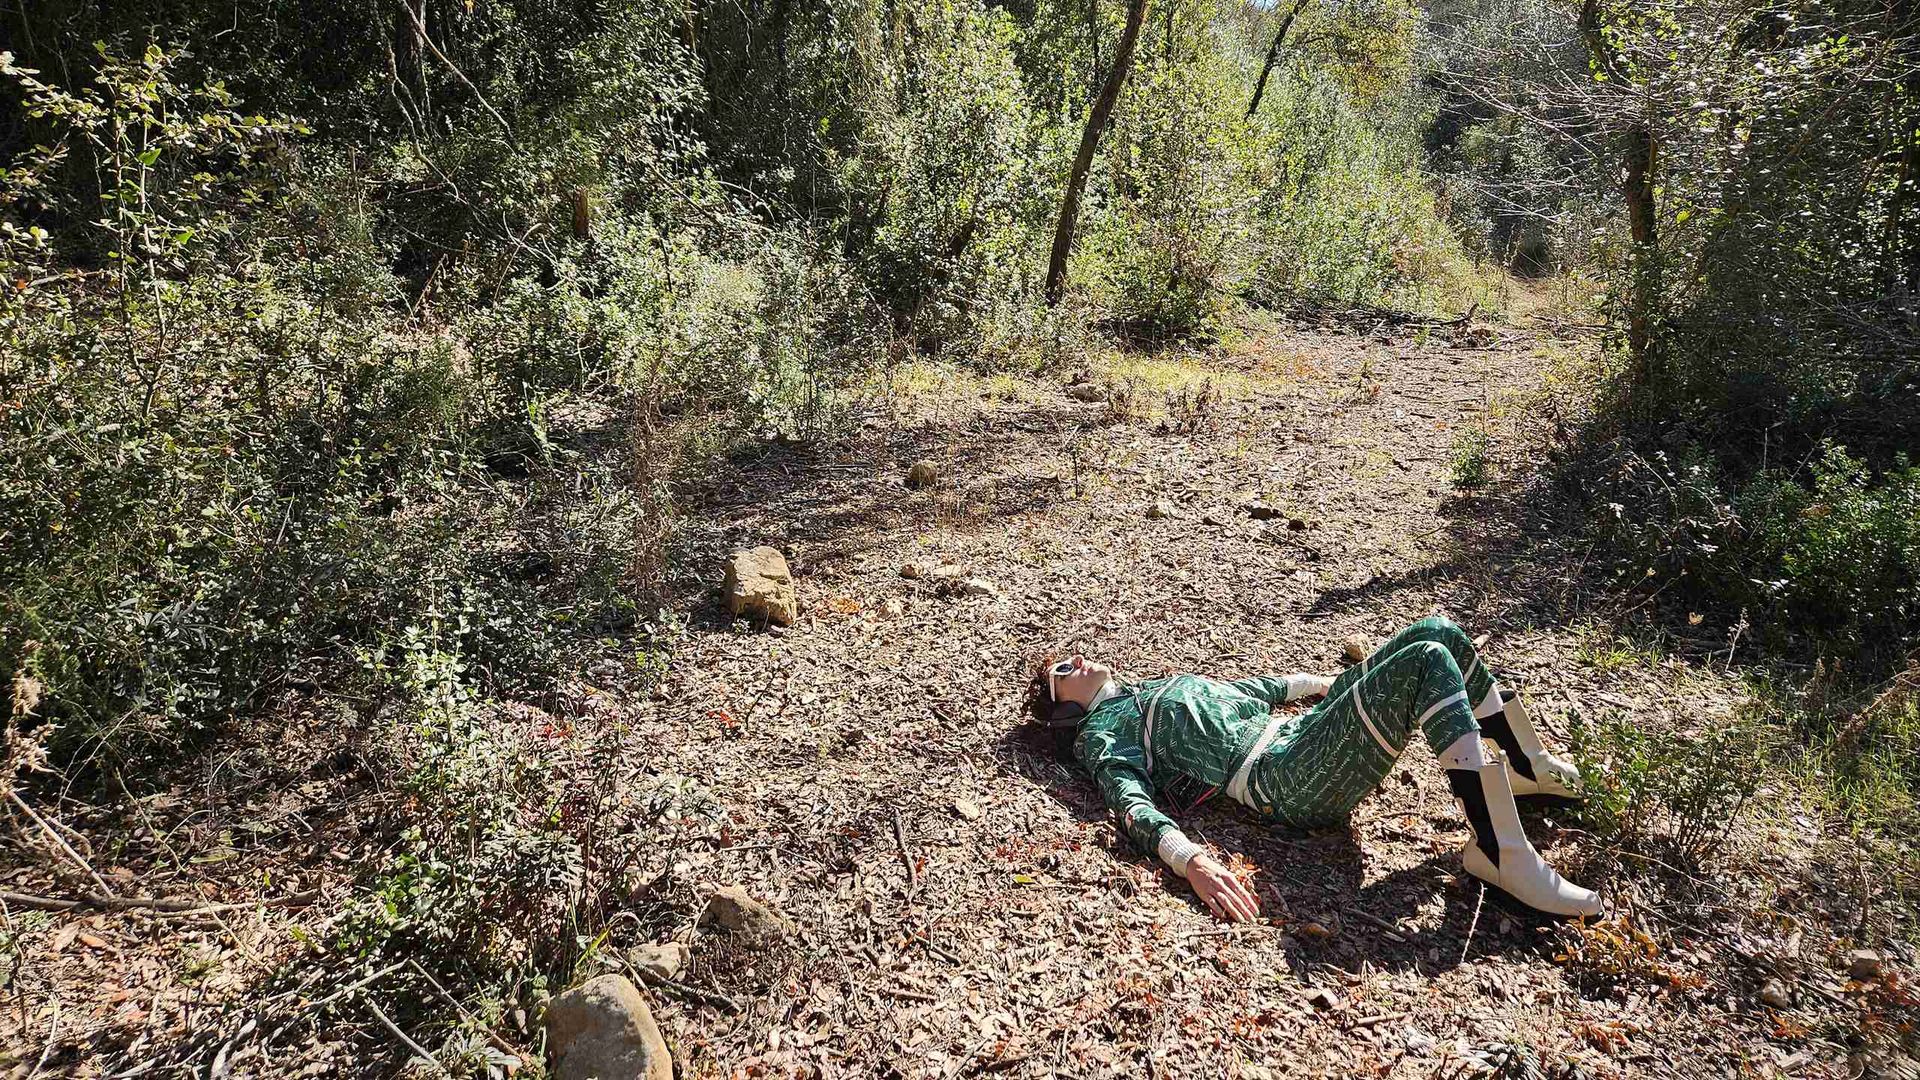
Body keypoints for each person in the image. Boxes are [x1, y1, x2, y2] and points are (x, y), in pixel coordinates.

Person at [1024, 616, 1600, 922]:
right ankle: (1498, 850)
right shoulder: (1101, 734)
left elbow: (1252, 690)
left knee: (1438, 631)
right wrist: (1190, 862)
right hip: (1281, 775)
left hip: (1299, 734)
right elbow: (1128, 800)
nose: (1077, 659)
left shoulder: (1147, 691)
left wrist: (1328, 685)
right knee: (1427, 663)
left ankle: (1524, 767)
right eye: (1062, 671)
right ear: (1065, 710)